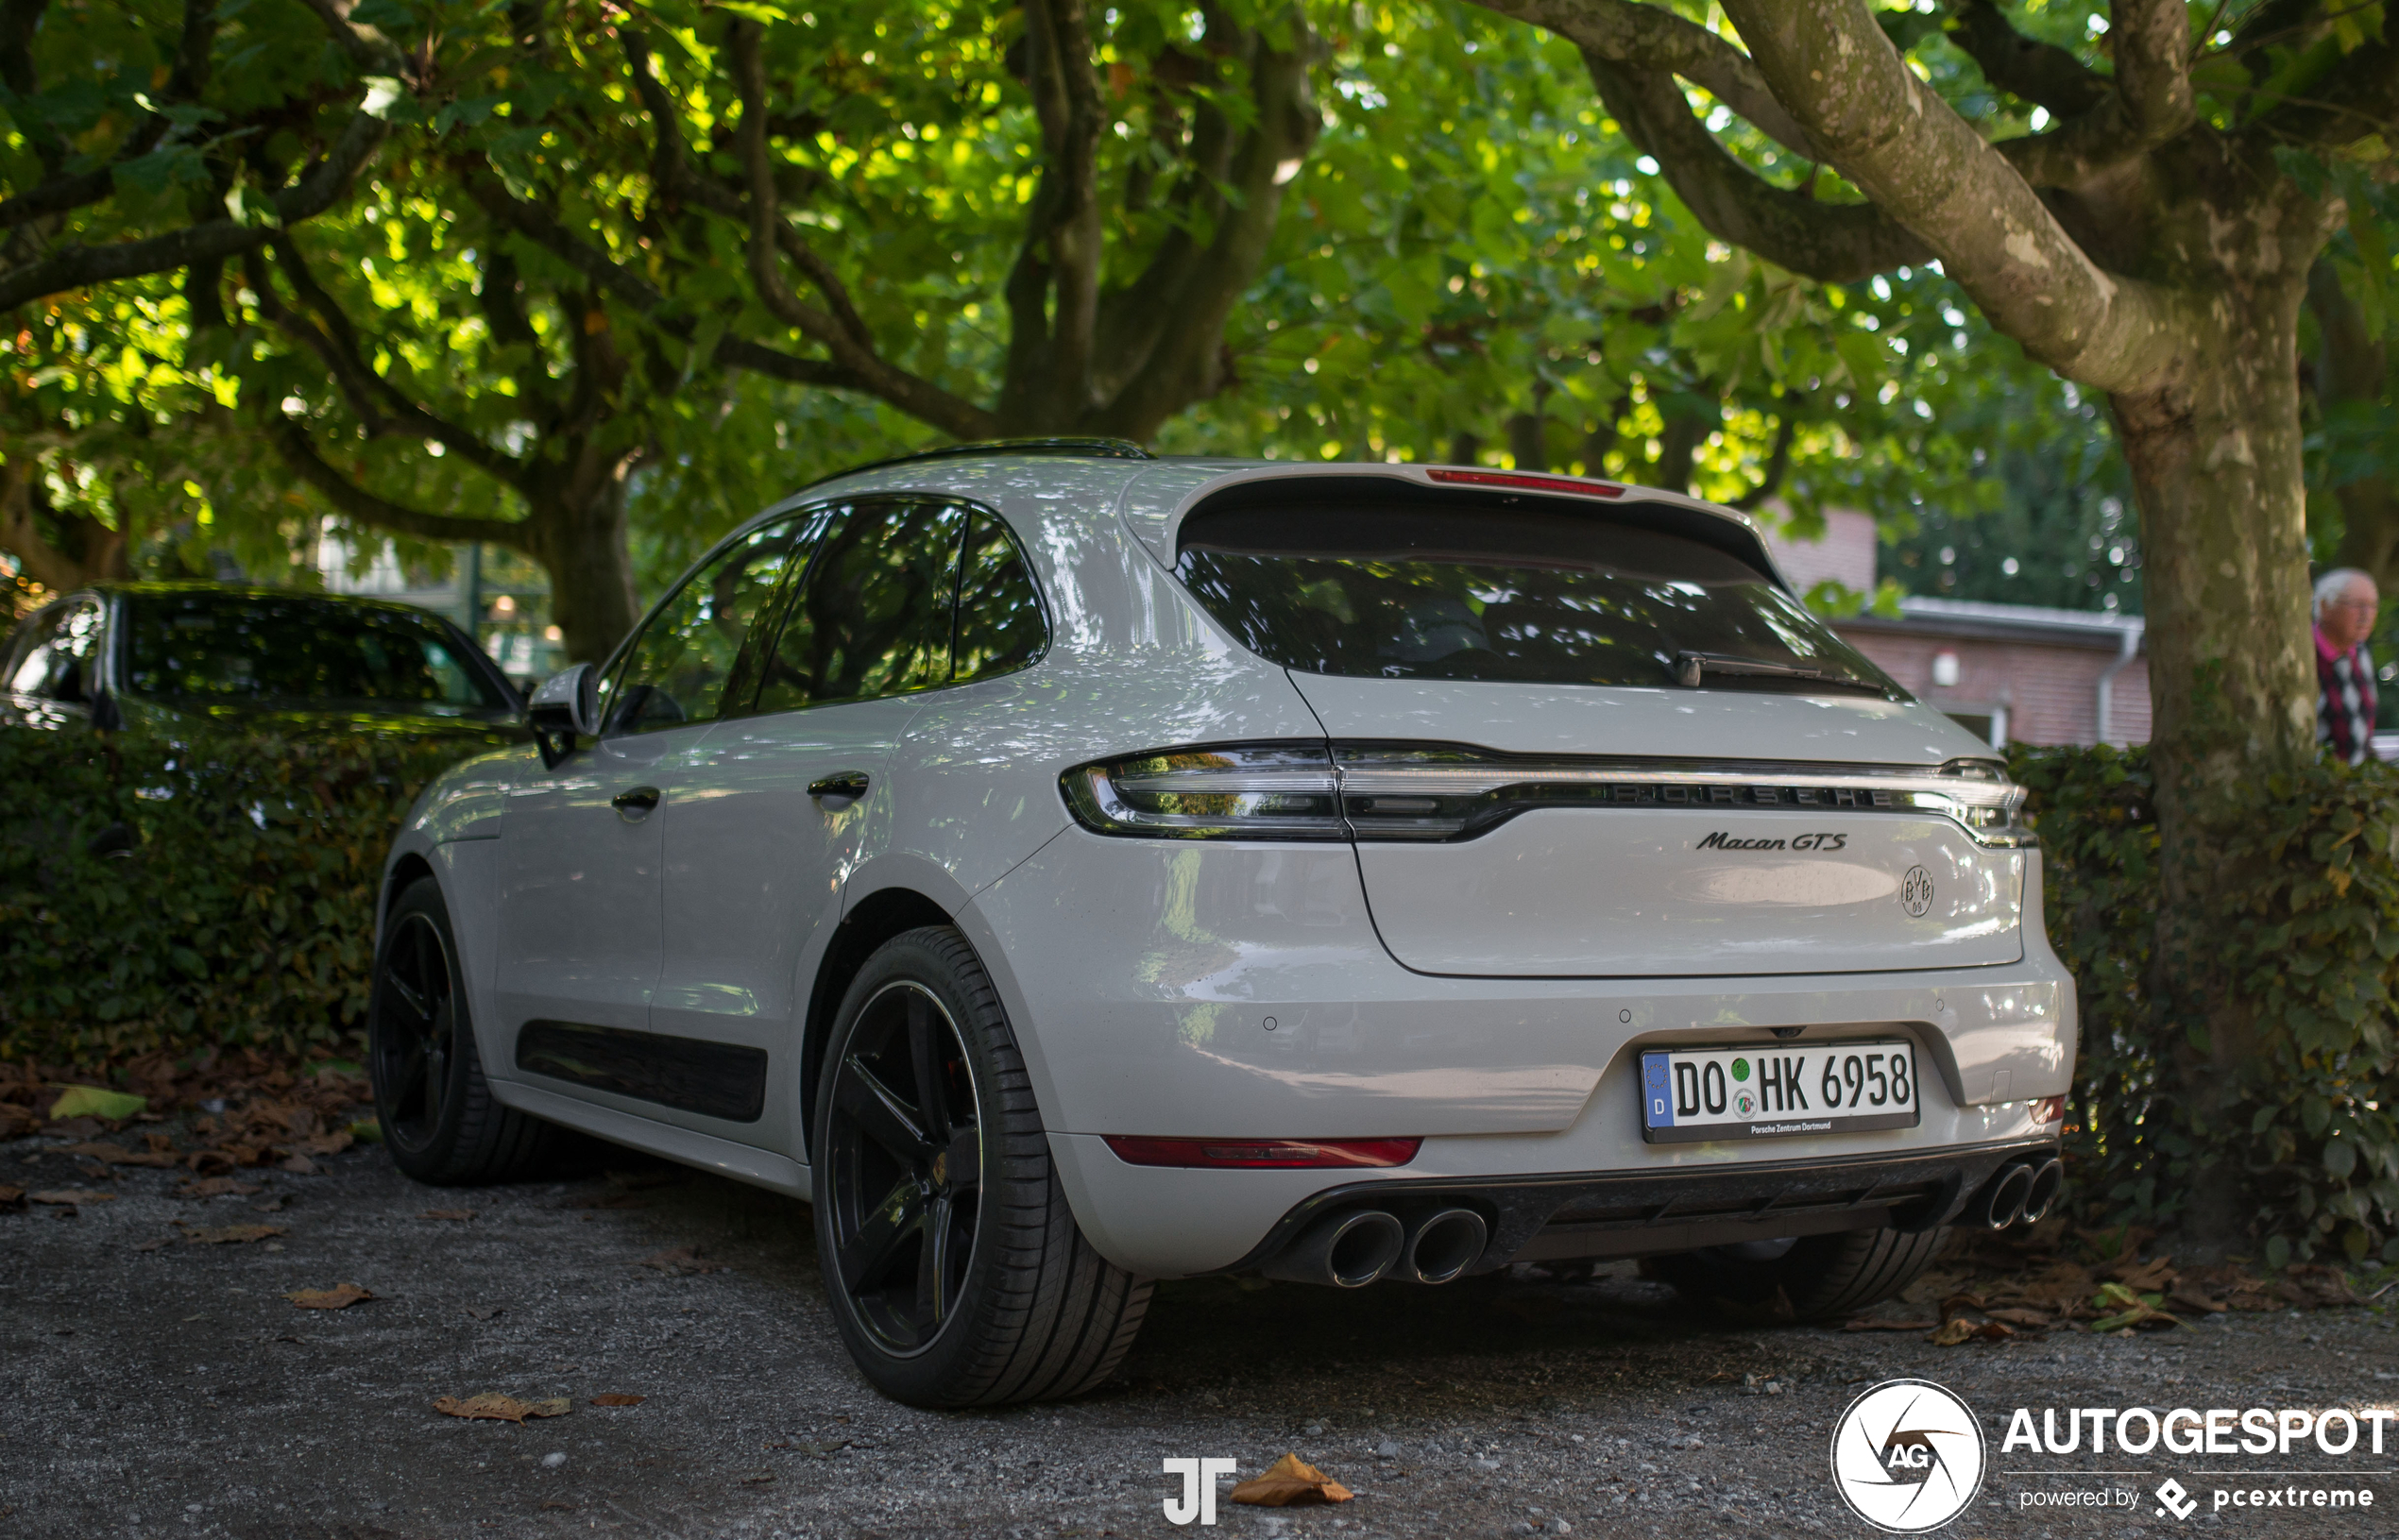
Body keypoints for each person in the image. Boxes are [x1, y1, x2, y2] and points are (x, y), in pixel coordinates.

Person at [2315, 567, 2381, 764]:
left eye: (2372, 606)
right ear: (2326, 607)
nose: (2366, 615)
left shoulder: (2359, 652)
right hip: (2315, 786)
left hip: (2352, 786)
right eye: (2357, 605)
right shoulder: (2305, 655)